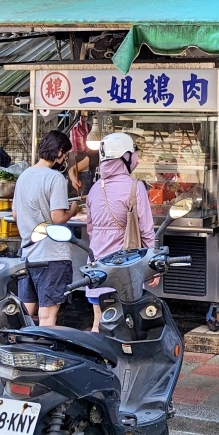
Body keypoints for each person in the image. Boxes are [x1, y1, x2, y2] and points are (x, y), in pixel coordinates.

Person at [85, 132, 157, 332]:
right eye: (134, 154)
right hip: (126, 268)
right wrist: (152, 264)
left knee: (98, 321)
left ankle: (97, 360)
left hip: (97, 266)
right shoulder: (135, 187)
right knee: (126, 323)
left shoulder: (94, 189)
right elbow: (146, 229)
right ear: (125, 157)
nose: (137, 159)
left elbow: (90, 229)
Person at [14, 131, 79, 327]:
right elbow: (57, 218)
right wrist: (73, 211)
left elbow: (16, 214)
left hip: (28, 255)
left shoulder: (24, 176)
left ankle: (20, 350)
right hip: (52, 256)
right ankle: (43, 354)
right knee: (48, 316)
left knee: (24, 313)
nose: (65, 158)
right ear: (59, 151)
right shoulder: (55, 178)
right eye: (65, 154)